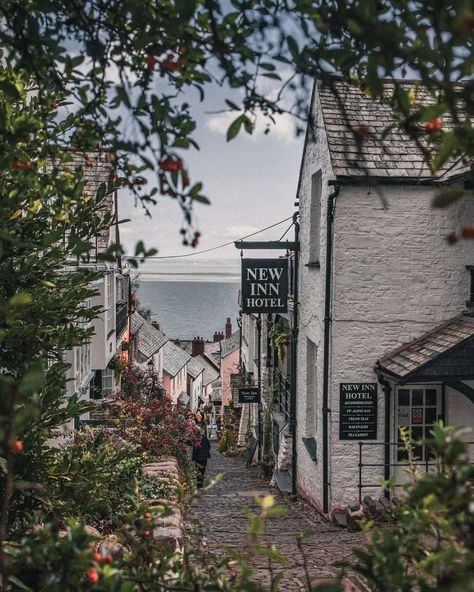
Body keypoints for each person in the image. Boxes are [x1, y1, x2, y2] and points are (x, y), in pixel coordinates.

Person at [192, 411, 211, 488]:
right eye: (197, 414)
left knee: (203, 465)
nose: (198, 415)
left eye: (199, 414)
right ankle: (198, 483)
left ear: (202, 416)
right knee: (197, 466)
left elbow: (205, 435)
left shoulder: (204, 424)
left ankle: (201, 483)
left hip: (203, 446)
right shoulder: (194, 424)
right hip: (197, 447)